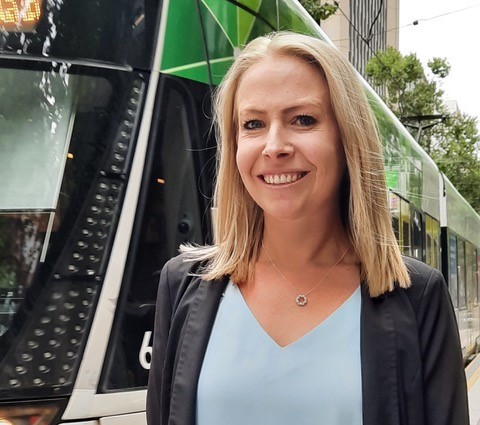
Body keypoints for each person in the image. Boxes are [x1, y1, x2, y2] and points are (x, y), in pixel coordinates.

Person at [146, 31, 468, 425]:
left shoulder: (418, 298)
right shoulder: (181, 286)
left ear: (346, 138)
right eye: (252, 124)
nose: (274, 145)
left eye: (303, 119)